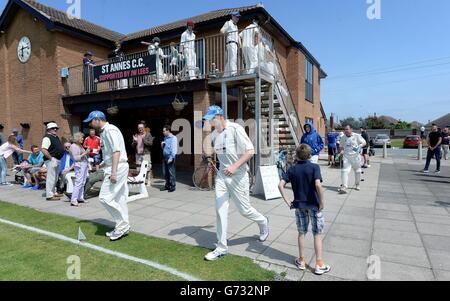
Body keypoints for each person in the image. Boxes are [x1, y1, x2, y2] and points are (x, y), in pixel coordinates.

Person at [202, 105, 269, 261]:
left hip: (238, 176)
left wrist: (234, 166)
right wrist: (208, 155)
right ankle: (221, 247)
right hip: (221, 177)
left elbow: (250, 151)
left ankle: (263, 221)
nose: (209, 123)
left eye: (211, 119)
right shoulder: (213, 135)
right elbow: (216, 152)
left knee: (244, 210)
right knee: (220, 211)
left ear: (219, 117)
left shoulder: (235, 128)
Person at [278, 144, 330, 275]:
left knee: (302, 233)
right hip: (314, 205)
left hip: (299, 206)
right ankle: (319, 264)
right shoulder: (314, 167)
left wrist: (287, 201)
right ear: (309, 155)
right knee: (317, 234)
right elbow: (318, 184)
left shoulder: (292, 169)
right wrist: (322, 202)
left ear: (297, 155)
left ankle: (301, 260)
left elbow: (280, 185)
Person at [84, 111, 130, 241]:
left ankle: (122, 225)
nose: (90, 124)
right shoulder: (105, 131)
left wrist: (114, 172)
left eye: (91, 121)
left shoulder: (110, 130)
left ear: (98, 119)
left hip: (117, 168)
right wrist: (104, 163)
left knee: (104, 197)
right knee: (120, 199)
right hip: (115, 166)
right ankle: (123, 226)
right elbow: (111, 152)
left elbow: (116, 151)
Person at [338, 125, 366, 194]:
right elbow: (341, 146)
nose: (346, 131)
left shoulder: (357, 136)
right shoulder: (343, 137)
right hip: (347, 157)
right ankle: (344, 186)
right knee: (344, 171)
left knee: (358, 171)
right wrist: (341, 151)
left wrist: (359, 146)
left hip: (356, 157)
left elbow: (364, 142)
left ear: (351, 129)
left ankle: (357, 184)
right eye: (345, 129)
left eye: (347, 129)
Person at [41, 122, 65, 201]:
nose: (55, 129)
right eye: (53, 128)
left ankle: (53, 192)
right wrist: (51, 159)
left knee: (55, 178)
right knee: (51, 178)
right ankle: (49, 195)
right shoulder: (47, 138)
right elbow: (44, 149)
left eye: (56, 128)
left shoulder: (55, 137)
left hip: (56, 159)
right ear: (48, 129)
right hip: (51, 159)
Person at [70, 133, 91, 207]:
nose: (83, 139)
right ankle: (73, 199)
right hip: (79, 165)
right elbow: (76, 158)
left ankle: (80, 197)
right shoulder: (73, 146)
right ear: (77, 138)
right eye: (82, 138)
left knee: (83, 182)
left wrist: (87, 152)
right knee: (78, 182)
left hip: (84, 165)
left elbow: (83, 155)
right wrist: (85, 153)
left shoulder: (80, 145)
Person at [220, 11, 241, 77]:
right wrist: (225, 33)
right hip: (231, 42)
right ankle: (233, 73)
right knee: (233, 58)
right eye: (237, 17)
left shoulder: (236, 26)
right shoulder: (228, 23)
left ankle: (226, 74)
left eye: (238, 17)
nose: (238, 18)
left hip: (235, 43)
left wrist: (240, 45)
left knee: (230, 59)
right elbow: (221, 31)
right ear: (233, 16)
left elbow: (237, 36)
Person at [161, 125, 177, 193]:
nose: (163, 132)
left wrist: (171, 157)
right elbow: (164, 148)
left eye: (164, 131)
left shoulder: (173, 138)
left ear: (168, 130)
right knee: (165, 172)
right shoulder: (165, 138)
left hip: (170, 157)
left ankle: (173, 186)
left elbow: (174, 149)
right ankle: (167, 185)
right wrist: (162, 146)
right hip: (165, 157)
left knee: (171, 172)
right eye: (163, 131)